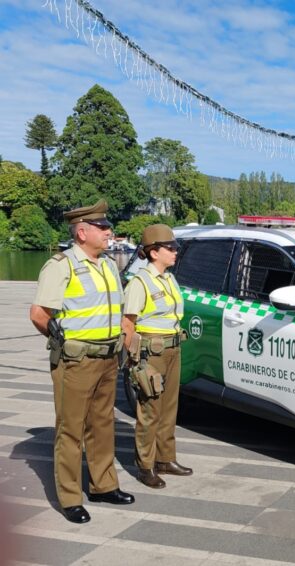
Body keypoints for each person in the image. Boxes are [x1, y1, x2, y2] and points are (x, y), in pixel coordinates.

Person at [29, 199, 134, 524]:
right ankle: (70, 498)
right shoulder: (61, 266)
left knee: (102, 426)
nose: (109, 232)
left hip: (106, 359)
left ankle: (103, 485)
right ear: (82, 232)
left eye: (107, 227)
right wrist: (63, 340)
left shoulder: (107, 266)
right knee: (70, 430)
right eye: (103, 228)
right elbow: (39, 314)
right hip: (76, 362)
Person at [122, 224, 193, 489]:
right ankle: (146, 465)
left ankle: (165, 458)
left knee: (169, 408)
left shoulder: (168, 278)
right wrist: (133, 362)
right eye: (170, 248)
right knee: (149, 410)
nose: (176, 251)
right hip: (151, 352)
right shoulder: (140, 283)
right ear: (154, 252)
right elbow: (128, 324)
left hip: (173, 348)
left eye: (175, 247)